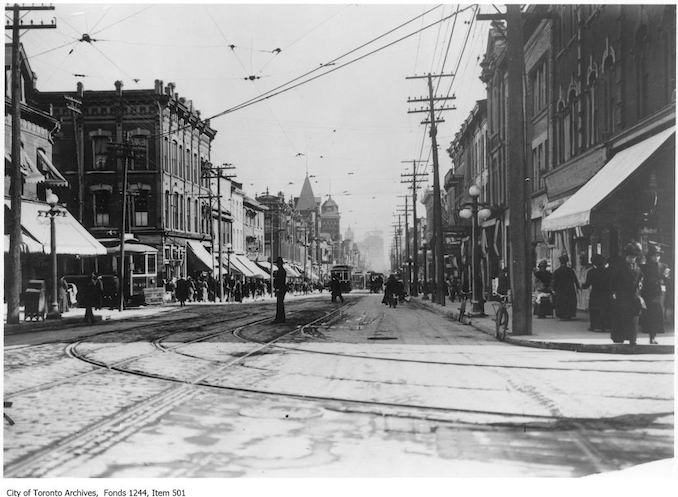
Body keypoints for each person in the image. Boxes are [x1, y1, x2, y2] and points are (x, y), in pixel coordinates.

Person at [610, 242, 643, 345]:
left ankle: (633, 339)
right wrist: (614, 292)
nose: (632, 259)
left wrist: (640, 286)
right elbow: (613, 281)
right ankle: (620, 338)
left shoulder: (638, 268)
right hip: (622, 296)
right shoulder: (619, 267)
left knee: (633, 319)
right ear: (626, 257)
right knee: (622, 318)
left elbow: (640, 280)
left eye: (634, 257)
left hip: (633, 296)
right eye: (630, 257)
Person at [640, 245, 665, 344]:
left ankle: (653, 336)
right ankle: (650, 334)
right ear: (650, 256)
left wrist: (665, 277)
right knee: (649, 314)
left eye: (658, 255)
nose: (656, 257)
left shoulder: (662, 266)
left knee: (655, 314)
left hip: (657, 293)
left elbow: (665, 279)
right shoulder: (644, 267)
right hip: (647, 292)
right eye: (654, 255)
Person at [581, 254, 612, 332]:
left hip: (595, 293)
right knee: (605, 309)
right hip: (606, 294)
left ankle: (594, 326)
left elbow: (587, 284)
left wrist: (582, 286)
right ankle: (605, 325)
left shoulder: (591, 272)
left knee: (594, 310)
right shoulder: (608, 272)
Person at [552, 254, 579, 320]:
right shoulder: (570, 270)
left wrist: (553, 289)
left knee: (561, 301)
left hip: (560, 289)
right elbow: (575, 280)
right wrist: (578, 287)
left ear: (560, 262)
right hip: (569, 289)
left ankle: (561, 315)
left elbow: (554, 281)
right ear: (566, 262)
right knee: (569, 301)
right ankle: (568, 314)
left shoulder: (557, 271)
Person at [273, 257, 287, 323]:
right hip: (281, 289)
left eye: (278, 263)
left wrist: (277, 288)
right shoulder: (281, 271)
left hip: (281, 289)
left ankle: (280, 318)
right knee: (280, 303)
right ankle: (280, 318)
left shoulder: (281, 271)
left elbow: (280, 281)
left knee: (280, 304)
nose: (277, 265)